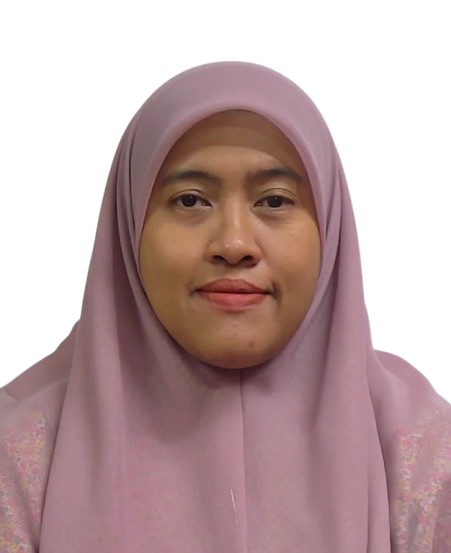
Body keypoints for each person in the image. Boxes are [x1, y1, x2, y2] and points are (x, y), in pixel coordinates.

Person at [1, 61, 450, 552]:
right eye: (190, 201)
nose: (234, 244)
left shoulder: (423, 457)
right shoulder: (21, 460)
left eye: (274, 201)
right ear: (129, 226)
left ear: (329, 226)